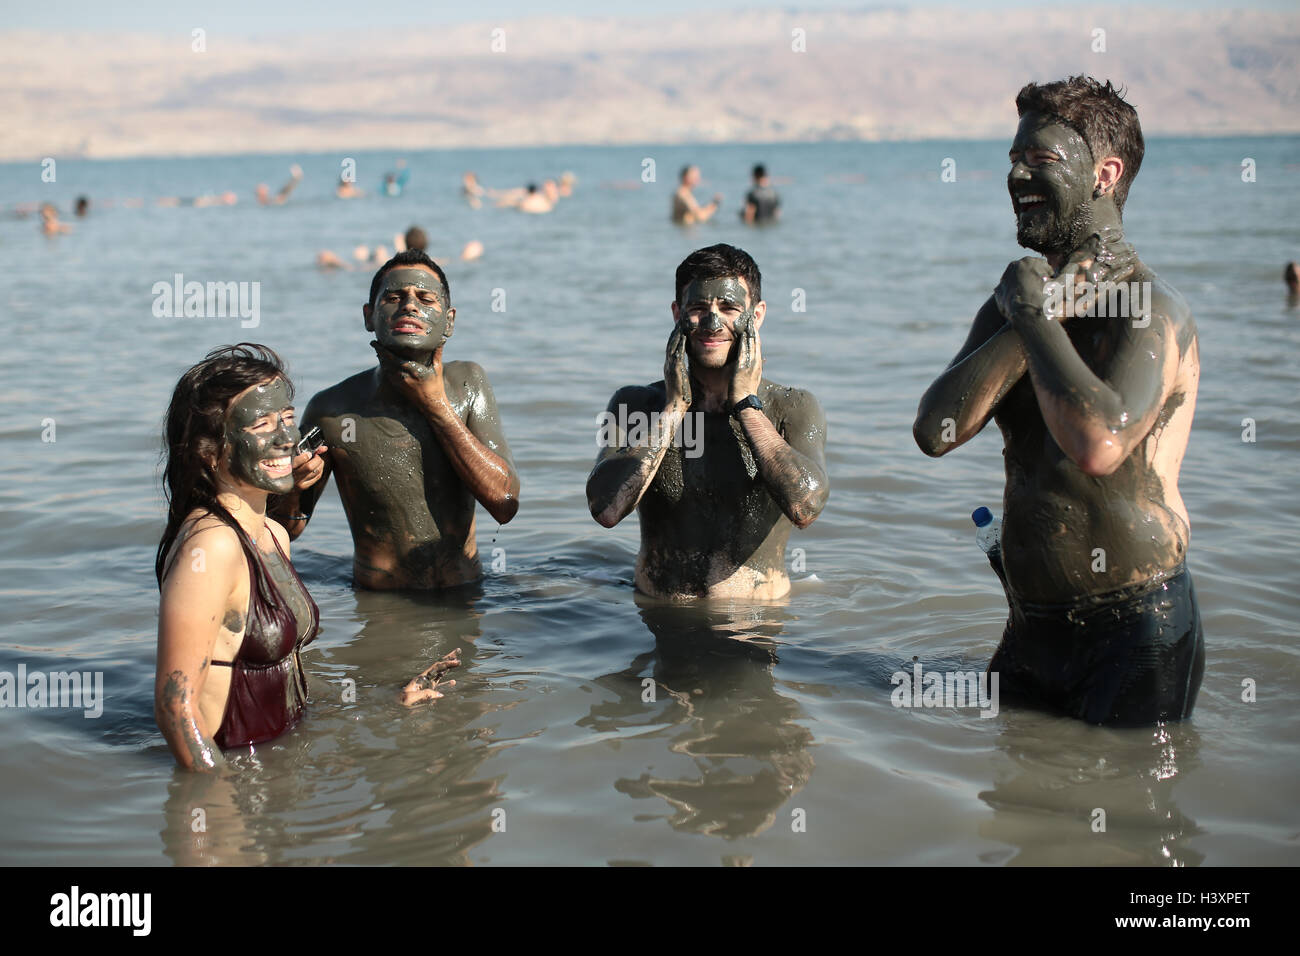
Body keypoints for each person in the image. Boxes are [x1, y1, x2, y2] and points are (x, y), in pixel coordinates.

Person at [913, 75, 1203, 726]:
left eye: (1039, 160)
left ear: (1105, 172)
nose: (1017, 177)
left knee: (1125, 815)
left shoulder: (1150, 310)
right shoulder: (1015, 301)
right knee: (1015, 814)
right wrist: (1028, 315)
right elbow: (938, 430)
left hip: (1135, 631)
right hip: (1029, 630)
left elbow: (1098, 444)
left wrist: (1035, 317)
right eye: (1014, 161)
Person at [585, 243, 828, 600]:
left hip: (757, 625)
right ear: (676, 313)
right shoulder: (635, 403)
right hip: (657, 616)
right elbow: (606, 510)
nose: (712, 324)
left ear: (757, 315)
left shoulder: (793, 407)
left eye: (729, 308)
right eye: (698, 309)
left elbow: (805, 506)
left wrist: (746, 405)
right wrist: (673, 408)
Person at [270, 250, 520, 590]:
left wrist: (434, 404)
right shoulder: (333, 408)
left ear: (449, 321)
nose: (409, 306)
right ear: (369, 316)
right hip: (381, 609)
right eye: (393, 297)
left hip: (467, 599)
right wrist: (292, 490)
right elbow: (285, 532)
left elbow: (504, 503)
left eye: (425, 298)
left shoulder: (468, 384)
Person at [154, 344, 325, 770]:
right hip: (234, 784)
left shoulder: (272, 533)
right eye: (263, 424)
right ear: (209, 451)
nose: (287, 438)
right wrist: (214, 807)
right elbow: (175, 708)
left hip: (281, 771)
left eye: (287, 419)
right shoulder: (212, 548)